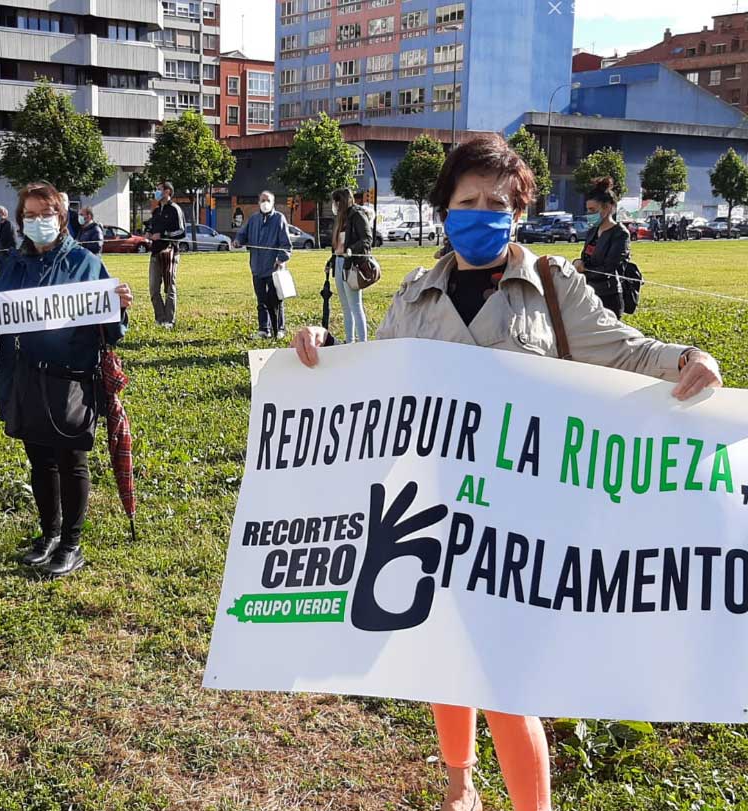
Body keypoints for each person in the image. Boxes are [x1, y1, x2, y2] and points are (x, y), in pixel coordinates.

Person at [292, 134, 723, 811]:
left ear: (517, 211)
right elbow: (372, 382)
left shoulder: (551, 283)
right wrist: (319, 352)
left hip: (521, 526)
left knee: (507, 686)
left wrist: (689, 358)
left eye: (498, 201)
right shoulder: (415, 294)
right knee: (444, 660)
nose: (482, 211)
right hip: (433, 513)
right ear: (445, 210)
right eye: (469, 200)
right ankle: (460, 783)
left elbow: (626, 351)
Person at [0, 182, 133, 576]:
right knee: (39, 460)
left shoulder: (85, 262)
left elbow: (111, 331)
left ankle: (72, 542)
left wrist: (117, 306)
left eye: (45, 215)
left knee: (71, 461)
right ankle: (48, 533)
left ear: (61, 218)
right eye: (29, 215)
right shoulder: (14, 264)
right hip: (25, 376)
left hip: (71, 379)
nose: (37, 222)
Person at [233, 191, 293, 339]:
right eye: (262, 200)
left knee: (276, 301)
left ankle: (279, 329)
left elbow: (287, 245)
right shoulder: (253, 219)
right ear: (258, 202)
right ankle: (263, 329)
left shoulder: (279, 219)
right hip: (257, 268)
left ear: (273, 203)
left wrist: (280, 259)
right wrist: (237, 241)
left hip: (273, 269)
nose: (265, 203)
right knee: (261, 301)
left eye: (268, 200)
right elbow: (243, 234)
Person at [574, 177, 630, 317]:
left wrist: (584, 269)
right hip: (588, 293)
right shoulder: (592, 231)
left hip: (608, 296)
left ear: (607, 207)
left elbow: (609, 269)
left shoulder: (620, 234)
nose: (589, 214)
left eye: (593, 210)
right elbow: (585, 257)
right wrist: (577, 263)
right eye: (587, 210)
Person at [330, 187, 370, 343]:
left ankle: (362, 342)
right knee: (345, 307)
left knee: (355, 305)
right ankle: (349, 340)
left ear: (342, 201)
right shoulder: (340, 218)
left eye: (336, 202)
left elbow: (366, 239)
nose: (334, 205)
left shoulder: (357, 215)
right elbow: (337, 245)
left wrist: (351, 250)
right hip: (339, 263)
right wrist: (331, 261)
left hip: (352, 265)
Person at [148, 181, 185, 328]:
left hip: (170, 253)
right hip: (155, 253)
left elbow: (181, 232)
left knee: (169, 287)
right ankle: (160, 318)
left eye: (159, 189)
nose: (156, 192)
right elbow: (151, 227)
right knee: (153, 288)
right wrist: (149, 233)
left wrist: (163, 234)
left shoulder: (175, 209)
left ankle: (169, 320)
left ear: (168, 191)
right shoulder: (156, 211)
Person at [0, 204, 17, 275]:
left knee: (7, 274)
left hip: (6, 255)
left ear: (3, 213)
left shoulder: (9, 225)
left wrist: (9, 253)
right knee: (0, 274)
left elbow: (13, 240)